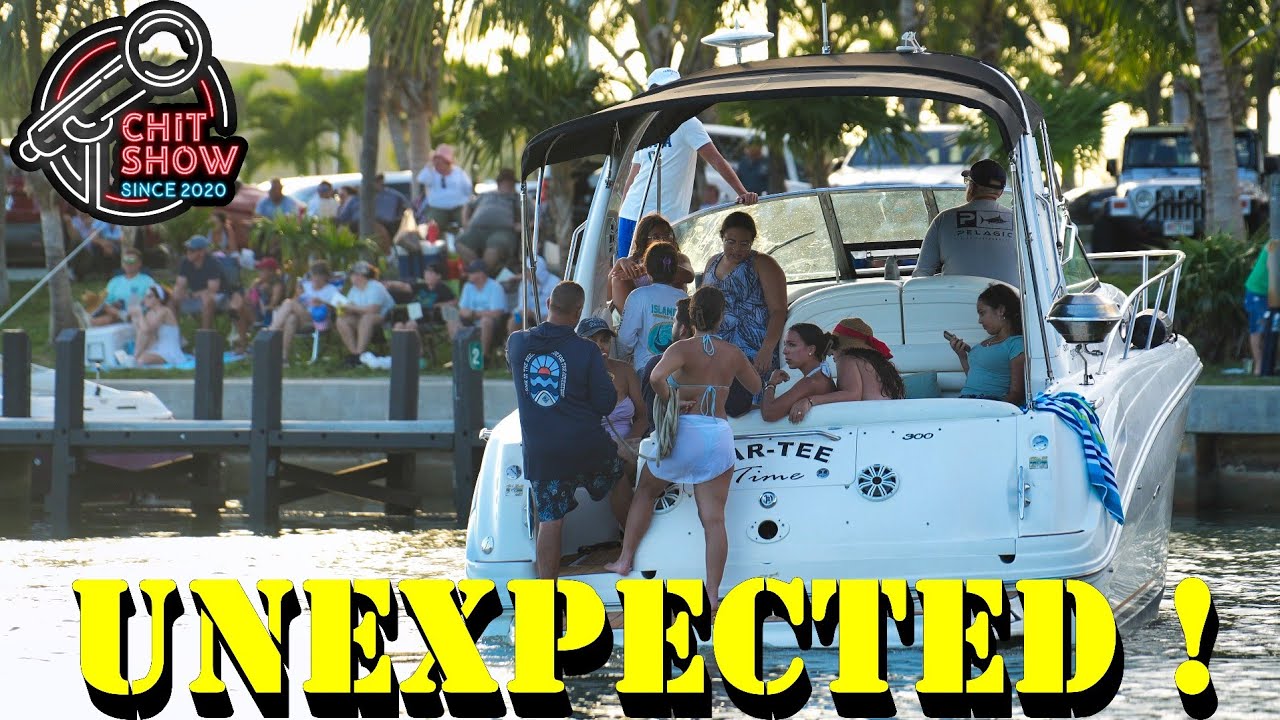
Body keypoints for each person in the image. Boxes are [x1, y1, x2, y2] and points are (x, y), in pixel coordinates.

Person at [604, 286, 761, 609]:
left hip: (684, 432)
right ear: (722, 317)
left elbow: (657, 377)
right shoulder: (733, 353)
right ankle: (713, 594)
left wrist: (672, 398)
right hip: (717, 434)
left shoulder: (681, 349)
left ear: (691, 316)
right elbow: (756, 387)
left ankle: (624, 559)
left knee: (647, 490)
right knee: (713, 519)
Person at [506, 281, 631, 579]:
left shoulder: (517, 343)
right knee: (619, 478)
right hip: (587, 447)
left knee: (550, 520)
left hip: (543, 453)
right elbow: (604, 404)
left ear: (549, 302)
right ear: (578, 313)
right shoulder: (587, 351)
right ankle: (631, 553)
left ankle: (545, 595)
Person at [616, 67, 759, 259]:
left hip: (668, 221)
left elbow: (715, 159)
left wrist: (742, 192)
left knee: (667, 274)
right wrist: (620, 210)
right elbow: (634, 174)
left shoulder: (688, 123)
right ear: (652, 92)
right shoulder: (643, 126)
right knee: (625, 273)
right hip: (632, 213)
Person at [700, 211, 788, 414]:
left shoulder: (763, 264)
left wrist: (766, 350)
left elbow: (778, 310)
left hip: (753, 350)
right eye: (731, 242)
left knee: (749, 408)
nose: (737, 249)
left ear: (752, 242)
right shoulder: (712, 262)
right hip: (715, 348)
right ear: (721, 237)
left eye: (744, 244)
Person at [914, 159, 1019, 288]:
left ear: (972, 187)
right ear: (1001, 192)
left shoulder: (944, 220)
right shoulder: (1018, 222)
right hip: (1007, 305)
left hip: (956, 304)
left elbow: (922, 274)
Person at [790, 318, 905, 422]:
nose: (831, 355)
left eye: (833, 347)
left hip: (874, 418)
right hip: (889, 415)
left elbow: (852, 395)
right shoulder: (874, 362)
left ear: (837, 345)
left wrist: (809, 401)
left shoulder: (847, 359)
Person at [577, 317, 650, 467]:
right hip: (589, 447)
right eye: (592, 340)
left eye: (604, 340)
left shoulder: (625, 370)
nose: (599, 346)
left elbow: (643, 417)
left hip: (627, 444)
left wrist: (626, 444)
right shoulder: (573, 374)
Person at [948, 283, 1026, 404]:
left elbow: (1016, 394)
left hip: (986, 404)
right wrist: (962, 357)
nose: (979, 320)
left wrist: (991, 411)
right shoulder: (986, 342)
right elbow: (976, 379)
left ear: (1001, 310)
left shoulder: (1016, 344)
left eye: (982, 313)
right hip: (965, 402)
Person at [617, 241, 688, 373]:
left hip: (646, 369)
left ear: (647, 270)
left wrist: (625, 358)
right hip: (676, 372)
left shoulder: (638, 296)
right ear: (674, 271)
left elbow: (625, 339)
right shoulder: (684, 297)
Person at [608, 212, 694, 313]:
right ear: (643, 240)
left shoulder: (679, 258)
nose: (663, 240)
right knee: (618, 279)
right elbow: (607, 296)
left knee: (674, 279)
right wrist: (618, 264)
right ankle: (629, 323)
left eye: (667, 235)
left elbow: (689, 276)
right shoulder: (633, 261)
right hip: (640, 316)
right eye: (656, 237)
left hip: (670, 315)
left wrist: (647, 269)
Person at [759, 323, 837, 422]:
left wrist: (771, 384)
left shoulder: (811, 382)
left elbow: (769, 413)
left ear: (811, 349)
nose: (785, 351)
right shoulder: (822, 374)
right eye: (785, 344)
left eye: (791, 345)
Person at [640, 297, 693, 437]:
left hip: (669, 440)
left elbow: (654, 419)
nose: (672, 326)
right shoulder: (723, 360)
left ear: (682, 330)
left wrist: (672, 402)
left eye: (674, 321)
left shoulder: (656, 366)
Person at [268, 261, 340, 362]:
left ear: (325, 277)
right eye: (314, 275)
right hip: (302, 317)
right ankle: (283, 357)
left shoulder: (332, 290)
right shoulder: (307, 286)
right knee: (291, 319)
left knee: (289, 303)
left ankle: (270, 332)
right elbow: (297, 301)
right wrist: (299, 296)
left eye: (319, 276)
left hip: (318, 319)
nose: (315, 279)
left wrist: (322, 303)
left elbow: (337, 309)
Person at [457, 168, 523, 275]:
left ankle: (480, 276)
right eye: (503, 182)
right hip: (476, 229)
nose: (506, 184)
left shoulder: (518, 197)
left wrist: (524, 226)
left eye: (509, 182)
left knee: (494, 249)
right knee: (461, 242)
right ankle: (479, 271)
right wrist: (465, 222)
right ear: (499, 183)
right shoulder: (486, 195)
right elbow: (467, 205)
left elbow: (536, 216)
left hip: (502, 231)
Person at [336, 261, 395, 367]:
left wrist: (351, 307)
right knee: (341, 320)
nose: (351, 277)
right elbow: (351, 307)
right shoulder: (354, 290)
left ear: (361, 275)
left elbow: (373, 310)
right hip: (362, 318)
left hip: (384, 318)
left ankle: (360, 354)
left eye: (353, 274)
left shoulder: (375, 287)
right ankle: (354, 354)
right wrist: (344, 309)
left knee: (367, 318)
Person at [451, 259, 508, 360]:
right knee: (452, 320)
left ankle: (482, 357)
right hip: (471, 320)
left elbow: (497, 313)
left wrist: (474, 313)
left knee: (485, 321)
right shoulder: (468, 287)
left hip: (494, 324)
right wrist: (468, 314)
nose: (467, 274)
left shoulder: (495, 287)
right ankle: (460, 357)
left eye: (471, 272)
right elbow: (462, 309)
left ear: (481, 274)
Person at [173, 235, 231, 331]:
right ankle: (176, 336)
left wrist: (191, 295)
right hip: (196, 296)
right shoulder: (185, 262)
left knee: (207, 299)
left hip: (219, 297)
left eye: (191, 250)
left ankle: (204, 337)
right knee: (172, 299)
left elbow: (212, 290)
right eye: (187, 249)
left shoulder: (213, 263)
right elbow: (180, 284)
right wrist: (178, 292)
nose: (188, 252)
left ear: (202, 252)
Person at [416, 144, 473, 230]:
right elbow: (421, 179)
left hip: (459, 209)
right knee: (432, 227)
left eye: (440, 161)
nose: (437, 164)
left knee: (469, 225)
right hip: (437, 209)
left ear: (447, 162)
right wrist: (429, 165)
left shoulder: (459, 173)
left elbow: (468, 190)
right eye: (435, 161)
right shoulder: (431, 172)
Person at [90, 251, 155, 326]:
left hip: (137, 312)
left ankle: (89, 322)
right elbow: (106, 301)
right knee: (101, 304)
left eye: (131, 261)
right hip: (116, 311)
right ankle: (123, 316)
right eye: (125, 261)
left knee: (109, 318)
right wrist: (114, 304)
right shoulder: (115, 281)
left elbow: (153, 300)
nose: (128, 264)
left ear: (139, 263)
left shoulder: (147, 281)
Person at [388, 263, 457, 331]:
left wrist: (436, 305)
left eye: (430, 273)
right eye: (425, 273)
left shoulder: (442, 288)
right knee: (398, 325)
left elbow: (454, 303)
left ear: (438, 276)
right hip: (412, 313)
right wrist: (390, 284)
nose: (426, 276)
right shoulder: (421, 286)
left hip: (429, 317)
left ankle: (413, 341)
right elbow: (404, 286)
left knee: (410, 325)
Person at [235, 257, 286, 347]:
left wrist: (264, 292)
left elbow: (273, 303)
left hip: (270, 315)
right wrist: (252, 289)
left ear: (271, 272)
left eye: (262, 270)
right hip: (256, 312)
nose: (259, 272)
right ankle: (243, 342)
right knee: (239, 310)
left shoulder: (277, 284)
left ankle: (246, 340)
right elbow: (247, 299)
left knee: (242, 309)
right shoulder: (257, 283)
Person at [1244, 239, 1277, 375]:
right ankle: (1259, 367)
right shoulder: (1274, 243)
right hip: (1257, 291)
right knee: (1259, 328)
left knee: (1274, 328)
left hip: (1273, 293)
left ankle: (1269, 365)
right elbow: (1272, 267)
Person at [130, 285, 184, 367]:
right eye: (145, 296)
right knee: (140, 358)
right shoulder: (149, 313)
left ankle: (135, 358)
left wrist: (140, 314)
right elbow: (143, 332)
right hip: (157, 347)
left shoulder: (164, 311)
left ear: (158, 298)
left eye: (149, 296)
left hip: (170, 350)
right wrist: (135, 318)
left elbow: (147, 330)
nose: (145, 299)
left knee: (141, 360)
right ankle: (135, 357)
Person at [508, 255, 560, 334]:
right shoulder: (524, 283)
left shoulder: (555, 282)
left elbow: (556, 308)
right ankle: (515, 344)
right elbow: (521, 306)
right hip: (529, 315)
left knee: (549, 321)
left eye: (528, 270)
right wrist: (524, 312)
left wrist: (535, 313)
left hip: (547, 315)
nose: (525, 273)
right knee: (514, 320)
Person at [66, 209, 123, 277]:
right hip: (98, 247)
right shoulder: (100, 221)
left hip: (116, 245)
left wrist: (109, 242)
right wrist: (104, 243)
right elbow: (93, 237)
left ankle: (112, 272)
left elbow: (123, 238)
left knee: (111, 249)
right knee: (105, 249)